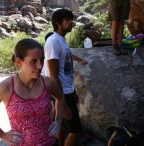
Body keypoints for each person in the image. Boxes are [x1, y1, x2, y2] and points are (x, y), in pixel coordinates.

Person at [0, 38, 66, 146]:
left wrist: (58, 121)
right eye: (33, 61)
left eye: (42, 60)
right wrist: (2, 135)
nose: (40, 66)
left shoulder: (47, 83)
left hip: (49, 143)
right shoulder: (7, 87)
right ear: (19, 62)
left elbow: (61, 98)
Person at [42, 8, 88, 146]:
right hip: (61, 94)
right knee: (76, 130)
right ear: (58, 23)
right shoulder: (53, 41)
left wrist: (72, 91)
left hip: (67, 91)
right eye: (67, 20)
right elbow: (53, 75)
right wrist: (63, 103)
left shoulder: (61, 40)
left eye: (71, 19)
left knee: (63, 126)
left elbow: (64, 69)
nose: (71, 23)